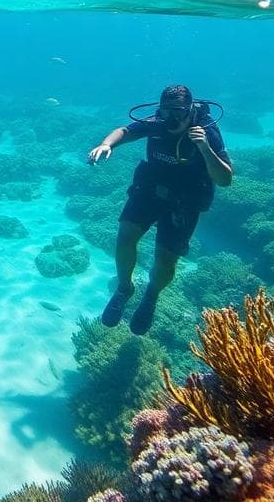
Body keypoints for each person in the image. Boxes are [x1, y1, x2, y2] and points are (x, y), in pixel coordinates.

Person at [87, 85, 232, 335]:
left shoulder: (207, 130)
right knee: (125, 235)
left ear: (190, 110)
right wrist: (107, 144)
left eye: (178, 112)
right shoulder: (156, 122)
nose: (171, 119)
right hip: (152, 186)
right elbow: (125, 131)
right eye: (166, 112)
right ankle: (124, 288)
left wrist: (205, 148)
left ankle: (151, 296)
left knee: (165, 259)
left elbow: (225, 179)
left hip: (186, 196)